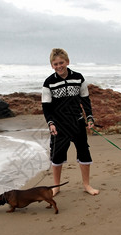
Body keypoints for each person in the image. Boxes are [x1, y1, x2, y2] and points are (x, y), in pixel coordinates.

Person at [41, 48, 99, 196]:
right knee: (57, 156)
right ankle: (56, 186)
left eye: (61, 62)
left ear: (67, 62)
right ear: (52, 65)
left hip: (78, 123)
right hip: (59, 126)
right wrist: (51, 123)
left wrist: (90, 118)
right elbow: (46, 107)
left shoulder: (78, 78)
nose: (59, 66)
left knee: (84, 153)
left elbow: (85, 100)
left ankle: (86, 185)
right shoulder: (49, 82)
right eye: (55, 64)